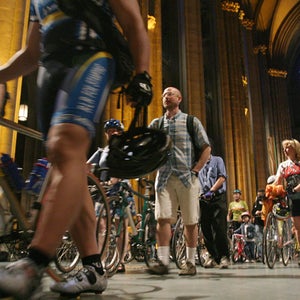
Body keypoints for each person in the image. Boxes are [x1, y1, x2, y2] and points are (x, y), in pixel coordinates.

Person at [0, 1, 151, 298]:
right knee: (66, 163)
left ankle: (34, 266)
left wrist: (143, 75)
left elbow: (133, 21)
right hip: (50, 68)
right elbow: (32, 52)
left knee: (65, 145)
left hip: (90, 56)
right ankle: (94, 267)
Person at [147, 87, 211, 276]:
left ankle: (190, 262)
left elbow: (206, 148)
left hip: (187, 178)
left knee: (191, 221)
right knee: (162, 218)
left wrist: (196, 170)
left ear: (179, 98)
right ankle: (163, 261)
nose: (166, 96)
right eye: (164, 94)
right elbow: (148, 147)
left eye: (170, 94)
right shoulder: (157, 124)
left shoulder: (191, 121)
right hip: (164, 177)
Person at [88, 118, 136, 273]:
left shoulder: (126, 149)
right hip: (103, 190)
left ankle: (120, 261)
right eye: (109, 131)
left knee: (120, 227)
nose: (113, 133)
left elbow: (130, 166)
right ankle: (100, 260)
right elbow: (87, 167)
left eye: (116, 131)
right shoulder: (102, 152)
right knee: (100, 225)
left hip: (121, 190)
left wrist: (117, 177)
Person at [198, 154, 230, 269]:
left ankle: (224, 256)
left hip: (217, 197)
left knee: (219, 228)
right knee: (205, 228)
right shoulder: (199, 164)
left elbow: (222, 177)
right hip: (203, 199)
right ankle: (212, 256)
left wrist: (212, 190)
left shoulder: (217, 160)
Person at [272, 139, 300, 266]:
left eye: (288, 147)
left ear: (294, 149)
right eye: (284, 148)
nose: (285, 150)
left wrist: (297, 188)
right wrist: (270, 189)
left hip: (297, 190)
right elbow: (278, 180)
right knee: (297, 226)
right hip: (293, 197)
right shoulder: (283, 165)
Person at [251, 189, 265, 261]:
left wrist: (262, 212)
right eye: (258, 195)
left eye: (261, 195)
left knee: (267, 239)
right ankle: (260, 255)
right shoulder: (256, 202)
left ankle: (269, 255)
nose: (259, 196)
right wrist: (256, 212)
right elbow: (253, 212)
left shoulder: (266, 202)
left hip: (266, 222)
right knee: (259, 240)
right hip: (257, 222)